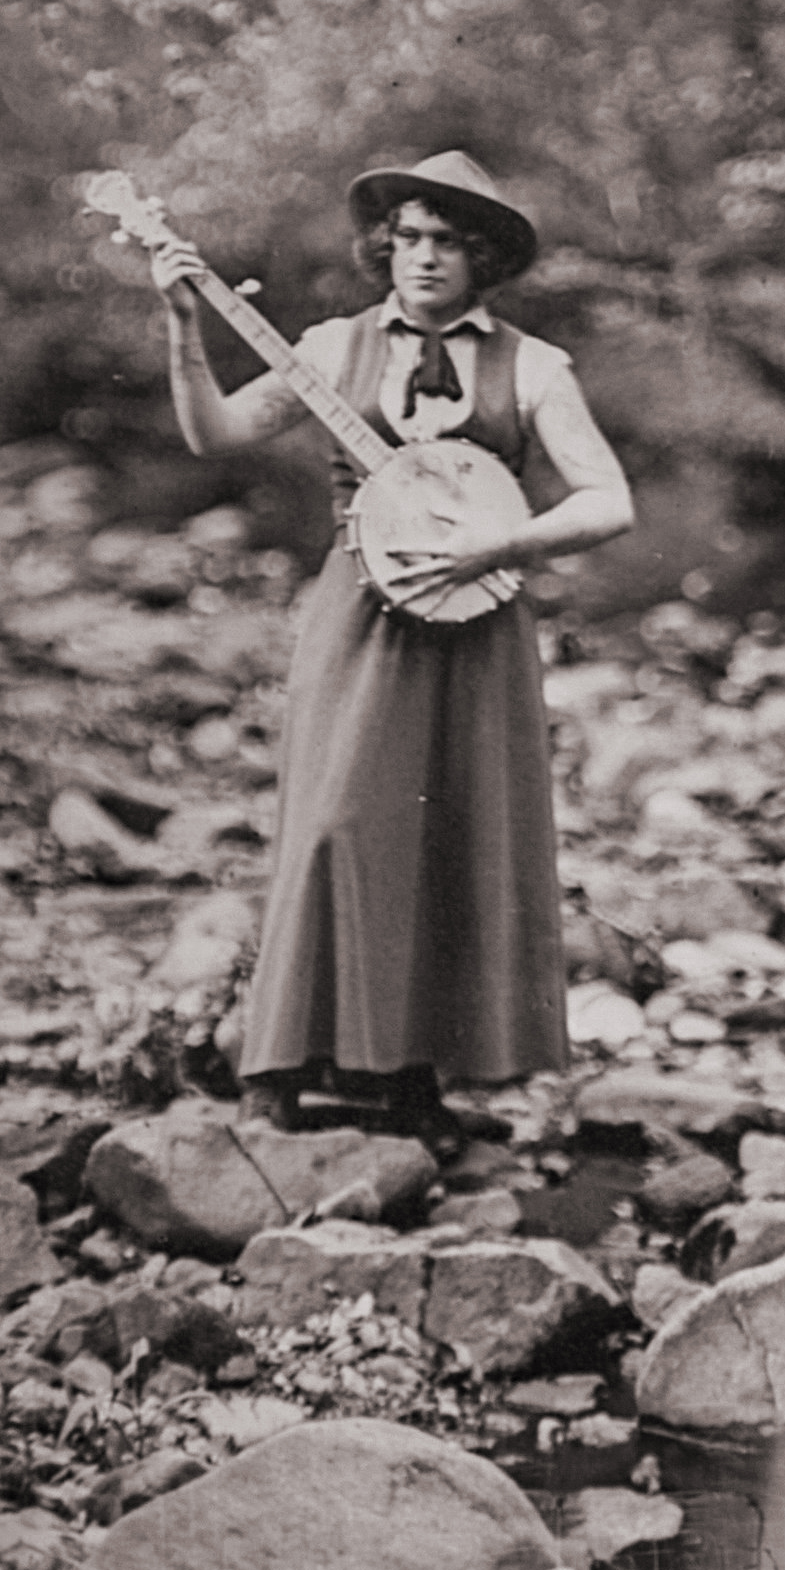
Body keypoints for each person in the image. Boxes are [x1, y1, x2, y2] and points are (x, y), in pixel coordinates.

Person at [150, 150, 633, 1144]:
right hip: (359, 615)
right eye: (407, 237)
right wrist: (182, 325)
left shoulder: (532, 367)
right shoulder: (332, 348)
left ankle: (414, 1078)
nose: (422, 257)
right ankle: (280, 1064)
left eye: (448, 241)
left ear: (482, 258)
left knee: (450, 831)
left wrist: (502, 542)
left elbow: (608, 501)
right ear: (383, 247)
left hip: (478, 630)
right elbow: (215, 433)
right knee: (331, 823)